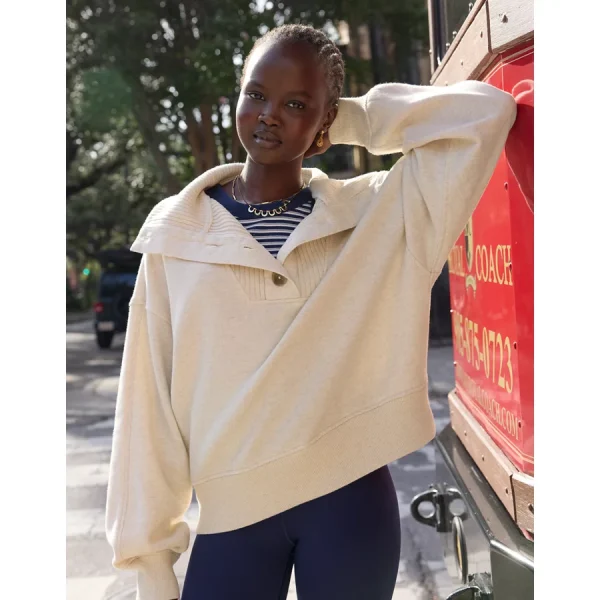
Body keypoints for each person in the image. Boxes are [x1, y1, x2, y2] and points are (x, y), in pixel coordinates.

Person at [105, 23, 516, 600]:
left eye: (295, 104)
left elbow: (485, 114)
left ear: (325, 122)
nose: (269, 115)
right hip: (232, 511)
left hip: (350, 501)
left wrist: (349, 119)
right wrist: (149, 561)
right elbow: (146, 405)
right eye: (256, 94)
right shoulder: (178, 234)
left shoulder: (376, 212)